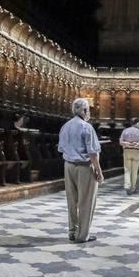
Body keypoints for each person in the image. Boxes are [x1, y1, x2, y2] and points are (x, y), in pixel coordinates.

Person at [59, 97, 103, 243]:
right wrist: (98, 170)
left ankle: (72, 231)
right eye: (88, 110)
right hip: (84, 167)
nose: (89, 113)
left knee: (72, 200)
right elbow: (92, 152)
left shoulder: (65, 126)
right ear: (84, 111)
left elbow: (61, 148)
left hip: (68, 165)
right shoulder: (86, 127)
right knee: (86, 201)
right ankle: (82, 235)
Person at [120, 120, 139, 194]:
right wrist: (136, 144)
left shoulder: (125, 131)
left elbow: (121, 142)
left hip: (127, 151)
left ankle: (127, 186)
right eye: (138, 123)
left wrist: (127, 144)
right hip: (136, 152)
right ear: (137, 123)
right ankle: (133, 188)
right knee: (134, 171)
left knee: (127, 170)